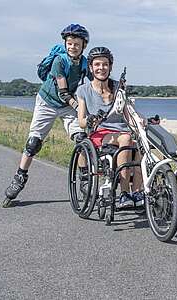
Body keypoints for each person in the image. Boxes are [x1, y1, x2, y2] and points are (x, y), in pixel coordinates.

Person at [3, 24, 91, 207]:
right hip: (48, 102)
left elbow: (96, 83)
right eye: (69, 43)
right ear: (65, 44)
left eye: (76, 44)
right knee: (33, 143)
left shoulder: (84, 63)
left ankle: (84, 178)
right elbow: (63, 92)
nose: (72, 47)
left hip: (67, 106)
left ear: (84, 45)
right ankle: (20, 176)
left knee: (82, 140)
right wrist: (80, 107)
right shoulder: (60, 60)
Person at [75, 47, 145, 209]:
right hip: (100, 133)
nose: (101, 68)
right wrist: (90, 119)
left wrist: (140, 123)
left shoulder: (118, 87)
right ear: (91, 68)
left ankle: (137, 192)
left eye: (105, 64)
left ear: (110, 67)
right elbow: (81, 122)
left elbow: (127, 113)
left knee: (139, 143)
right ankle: (124, 193)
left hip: (122, 132)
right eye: (97, 64)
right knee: (127, 138)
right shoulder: (83, 90)